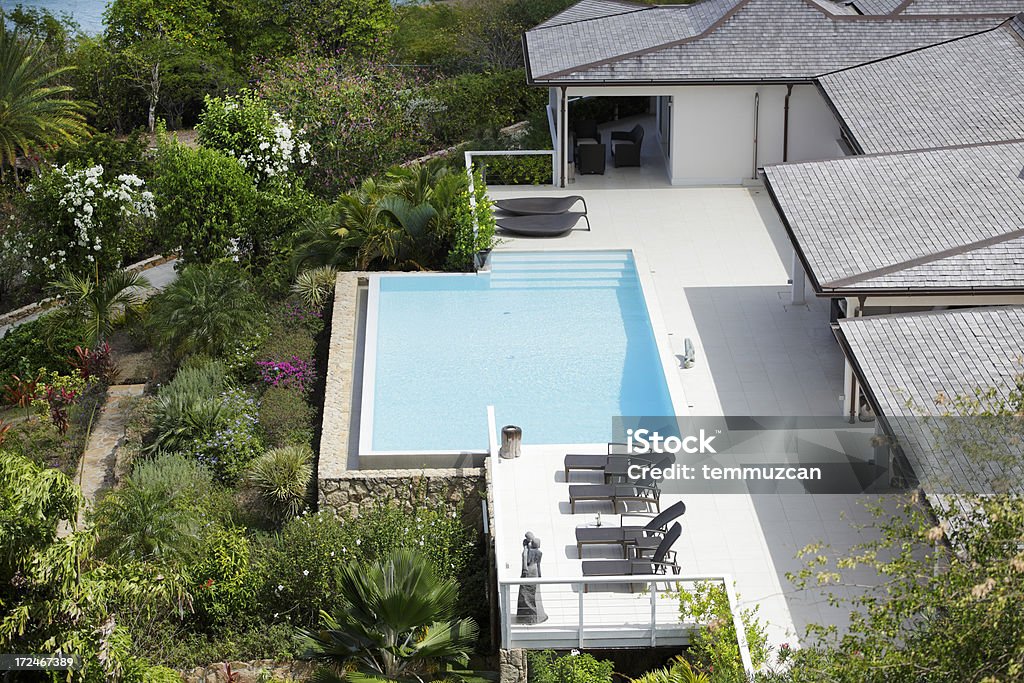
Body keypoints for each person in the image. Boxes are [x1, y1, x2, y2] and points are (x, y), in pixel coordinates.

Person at [516, 533, 548, 624]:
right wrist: (540, 575)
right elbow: (538, 565)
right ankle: (536, 616)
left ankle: (526, 616)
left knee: (525, 593)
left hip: (528, 571)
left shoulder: (527, 551)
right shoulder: (539, 553)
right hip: (535, 571)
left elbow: (525, 559)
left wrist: (524, 569)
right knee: (535, 593)